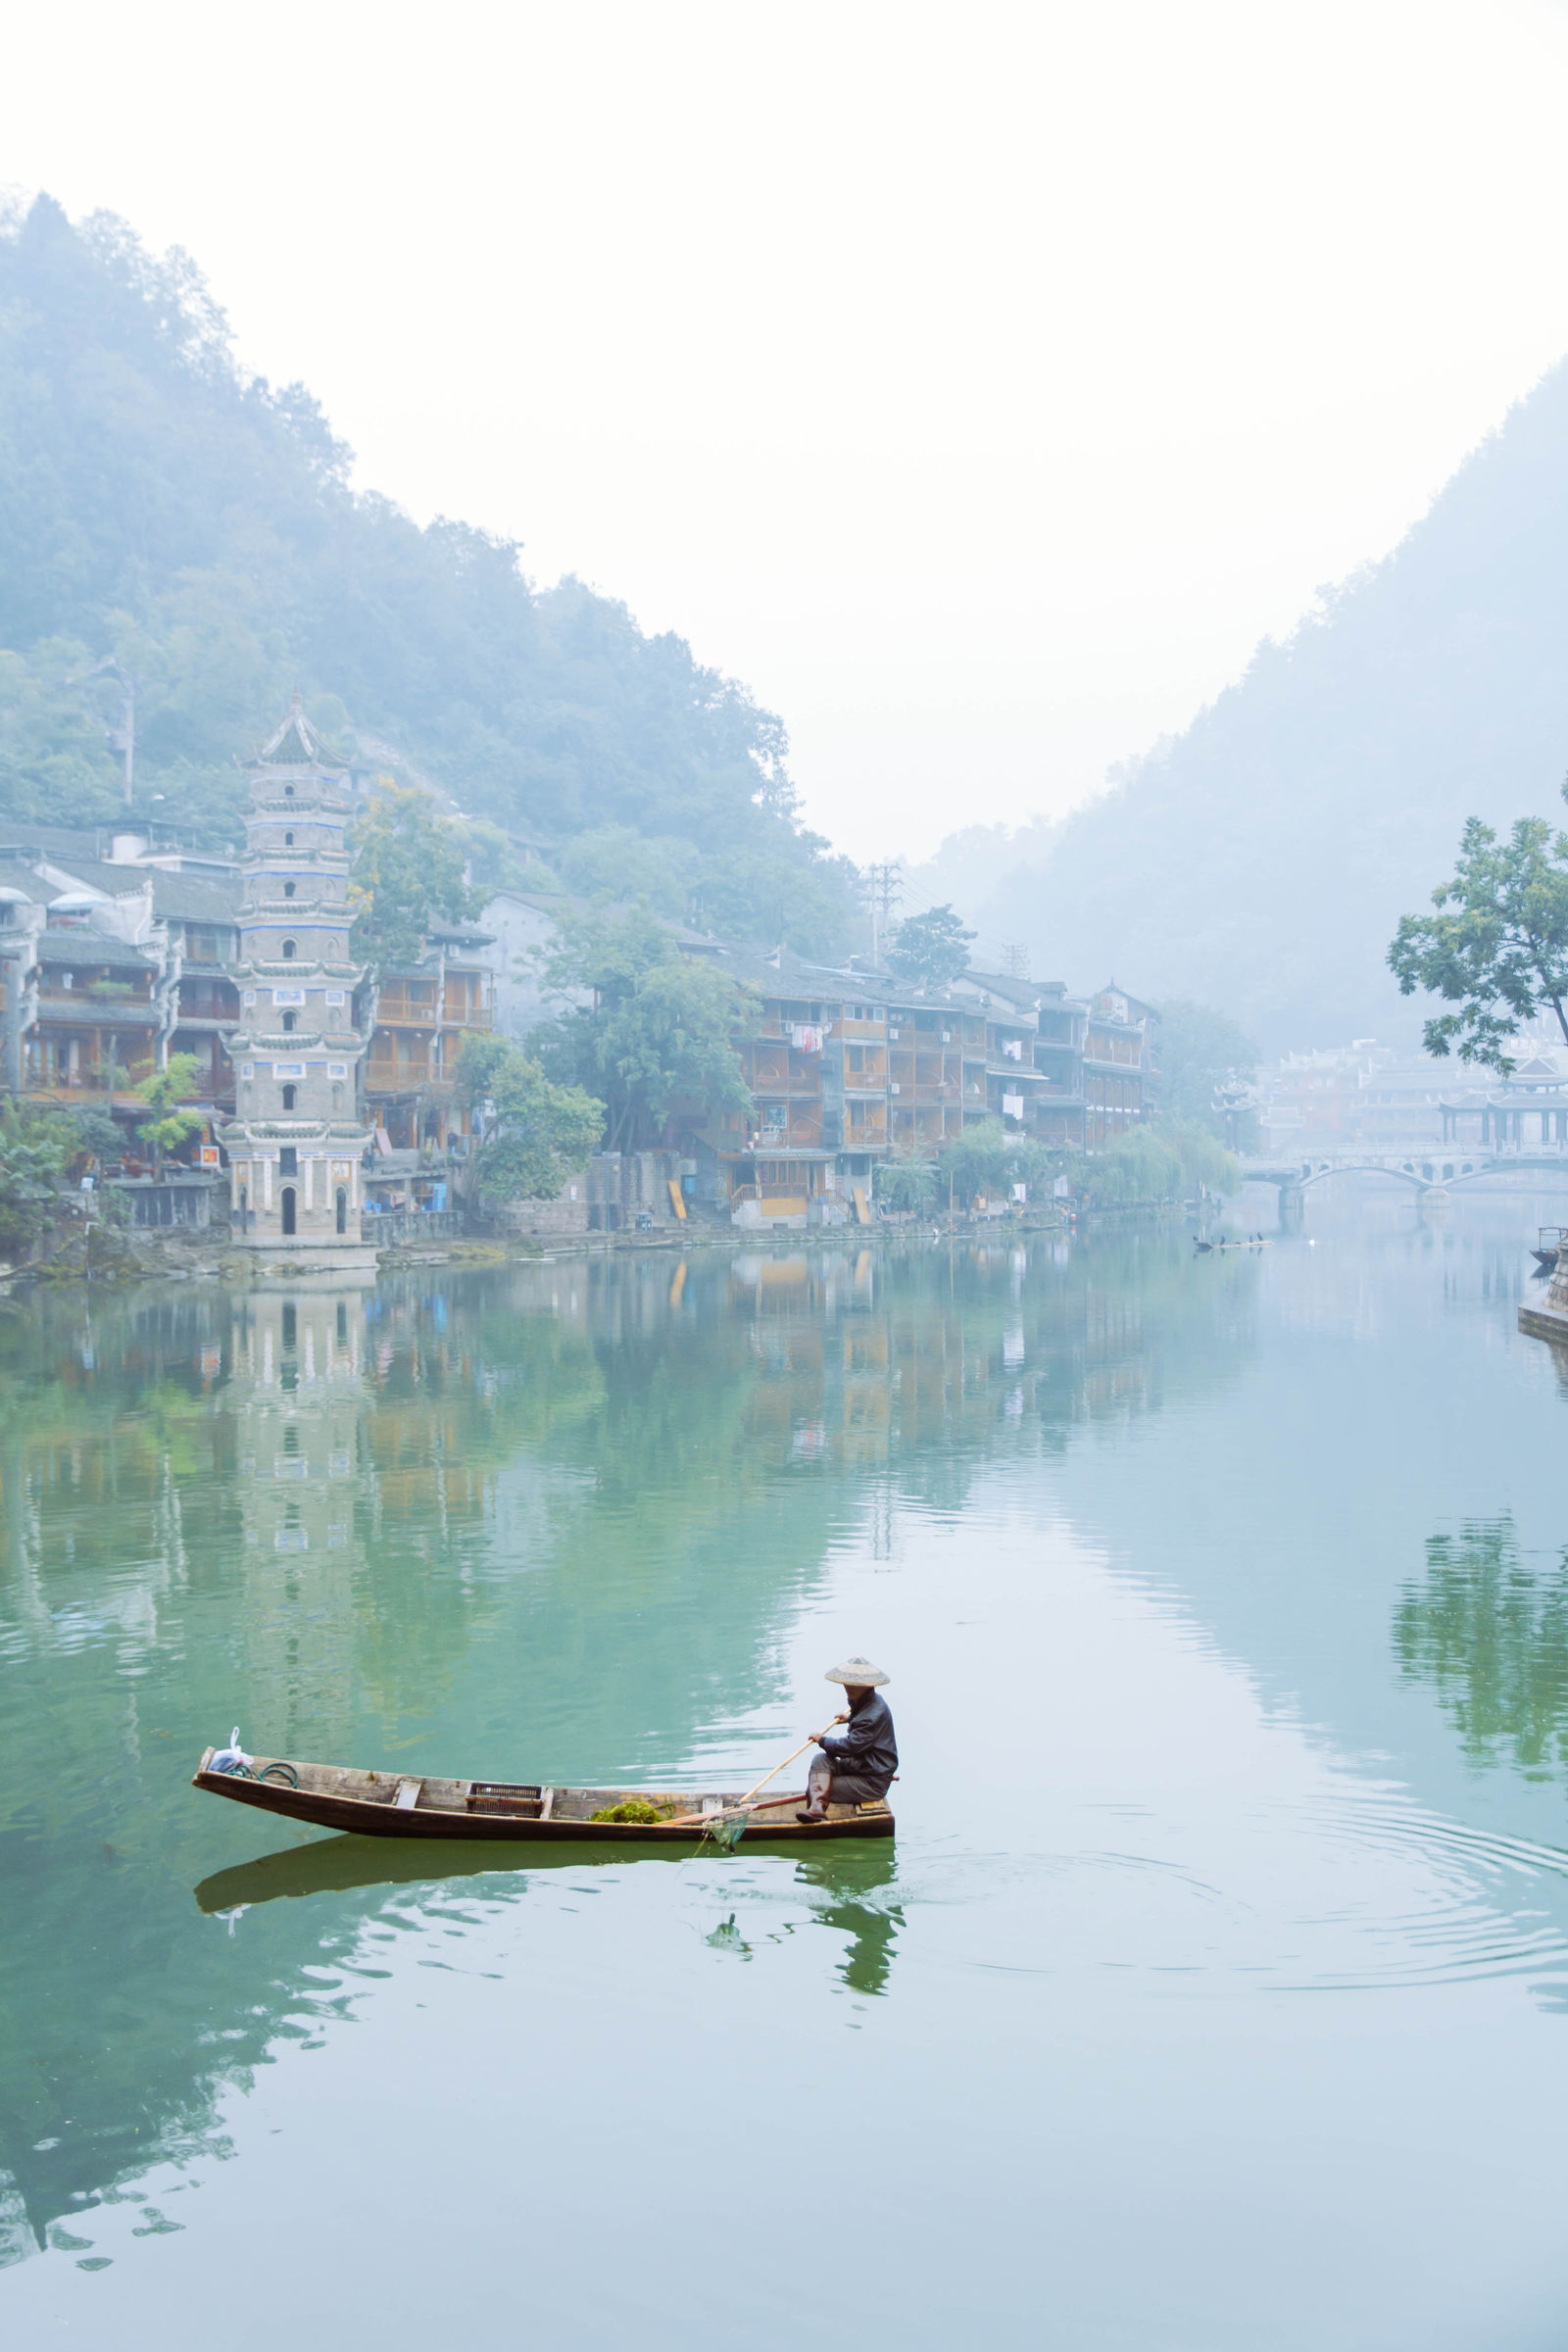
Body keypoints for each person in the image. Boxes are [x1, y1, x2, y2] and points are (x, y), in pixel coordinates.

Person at [798, 1655, 898, 1823]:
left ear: (867, 1686)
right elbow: (864, 1725)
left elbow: (849, 1747)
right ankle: (816, 1809)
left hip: (871, 1780)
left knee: (814, 1789)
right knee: (821, 1760)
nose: (849, 1688)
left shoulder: (872, 1713)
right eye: (847, 1684)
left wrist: (822, 1740)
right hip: (860, 1765)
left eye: (855, 1685)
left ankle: (816, 1811)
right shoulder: (867, 1702)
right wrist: (850, 1717)